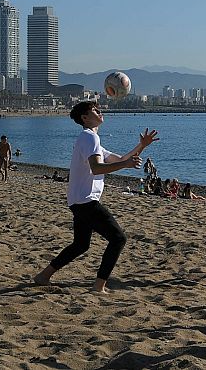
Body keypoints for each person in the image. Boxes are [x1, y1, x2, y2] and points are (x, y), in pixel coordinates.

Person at [33, 101, 159, 293]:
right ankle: (99, 286)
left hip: (78, 201)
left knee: (80, 244)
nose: (100, 112)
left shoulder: (91, 139)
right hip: (86, 201)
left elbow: (121, 159)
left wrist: (141, 146)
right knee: (118, 239)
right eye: (95, 110)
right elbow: (97, 168)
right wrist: (125, 165)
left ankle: (43, 276)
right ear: (85, 118)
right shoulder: (89, 138)